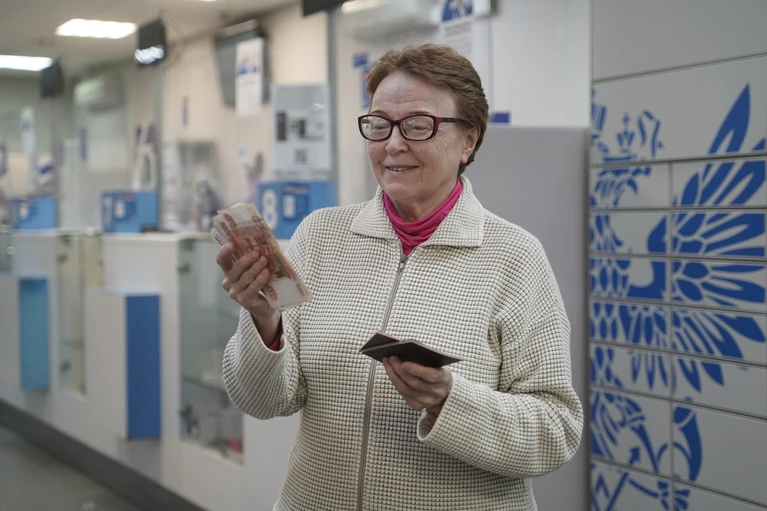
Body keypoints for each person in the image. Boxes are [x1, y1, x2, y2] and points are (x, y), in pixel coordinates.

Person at [218, 44, 583, 511]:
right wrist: (264, 321)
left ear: (468, 140)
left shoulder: (513, 257)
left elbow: (555, 431)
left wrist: (450, 399)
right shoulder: (321, 236)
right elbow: (263, 401)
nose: (392, 144)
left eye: (417, 124)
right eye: (379, 124)